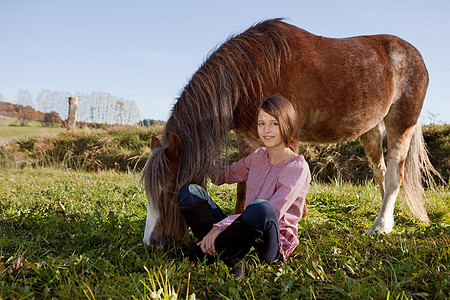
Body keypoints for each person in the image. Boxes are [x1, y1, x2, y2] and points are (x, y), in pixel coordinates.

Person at [178, 94, 311, 279]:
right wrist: (201, 152)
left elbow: (273, 212)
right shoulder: (258, 156)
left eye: (273, 123)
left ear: (287, 124)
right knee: (190, 193)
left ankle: (201, 252)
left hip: (269, 242)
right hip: (243, 230)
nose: (266, 130)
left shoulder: (297, 168)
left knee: (261, 208)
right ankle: (232, 256)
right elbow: (222, 176)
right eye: (261, 123)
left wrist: (218, 228)